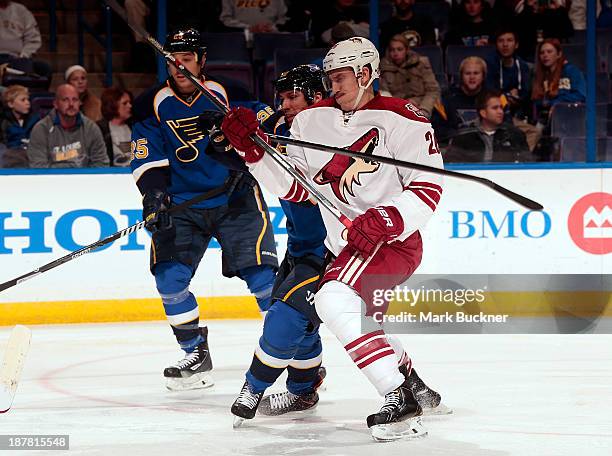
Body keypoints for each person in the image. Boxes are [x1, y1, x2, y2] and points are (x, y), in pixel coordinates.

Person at [221, 37, 447, 441]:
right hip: (348, 246)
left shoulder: (405, 118)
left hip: (392, 242)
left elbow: (427, 189)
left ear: (364, 74)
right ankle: (414, 387)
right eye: (329, 78)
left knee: (332, 299)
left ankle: (397, 396)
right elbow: (297, 189)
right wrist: (251, 153)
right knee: (359, 319)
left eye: (340, 78)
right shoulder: (311, 121)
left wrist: (386, 217)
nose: (333, 86)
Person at [129, 28, 278, 391]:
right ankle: (194, 352)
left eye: (187, 59)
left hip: (235, 196)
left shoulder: (228, 93)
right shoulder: (151, 102)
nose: (180, 67)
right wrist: (154, 196)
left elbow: (269, 119)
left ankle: (294, 351)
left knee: (263, 280)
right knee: (169, 278)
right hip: (183, 204)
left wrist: (236, 131)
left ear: (202, 61)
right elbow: (148, 156)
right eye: (173, 60)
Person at [208, 64, 330, 417]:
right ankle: (304, 391)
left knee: (285, 316)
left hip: (336, 249)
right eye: (283, 97)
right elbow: (242, 156)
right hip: (302, 247)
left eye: (293, 97)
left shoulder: (336, 133)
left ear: (317, 98)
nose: (285, 104)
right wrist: (223, 138)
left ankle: (254, 387)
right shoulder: (280, 126)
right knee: (303, 325)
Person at [27, 84, 108, 168]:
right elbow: (38, 167)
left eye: (75, 100)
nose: (71, 104)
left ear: (80, 103)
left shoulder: (91, 128)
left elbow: (101, 163)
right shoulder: (41, 129)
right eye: (65, 100)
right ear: (55, 104)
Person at [447, 89, 531, 162]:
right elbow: (452, 163)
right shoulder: (464, 136)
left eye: (501, 107)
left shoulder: (514, 135)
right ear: (483, 113)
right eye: (495, 108)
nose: (500, 112)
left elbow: (527, 162)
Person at [379, 34, 441, 118]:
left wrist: (423, 111)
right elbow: (385, 94)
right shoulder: (384, 67)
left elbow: (432, 90)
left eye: (399, 49)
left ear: (407, 50)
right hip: (398, 110)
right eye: (392, 50)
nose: (395, 53)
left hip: (422, 105)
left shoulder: (421, 63)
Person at [531, 38, 586, 125]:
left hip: (571, 118)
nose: (545, 55)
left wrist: (558, 102)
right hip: (546, 120)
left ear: (559, 54)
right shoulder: (540, 75)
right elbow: (536, 100)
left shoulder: (571, 71)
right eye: (542, 53)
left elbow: (581, 95)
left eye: (549, 52)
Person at [0, 84, 38, 167]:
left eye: (28, 100)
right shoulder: (3, 122)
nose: (27, 103)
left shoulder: (35, 119)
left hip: (31, 154)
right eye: (23, 100)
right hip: (10, 156)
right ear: (10, 104)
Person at [97, 87, 133, 166]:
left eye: (130, 102)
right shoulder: (100, 129)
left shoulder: (134, 126)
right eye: (125, 103)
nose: (130, 106)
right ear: (112, 105)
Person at [220, 0, 287, 32]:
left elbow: (284, 18)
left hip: (271, 39)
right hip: (241, 40)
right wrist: (248, 28)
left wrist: (272, 28)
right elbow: (226, 19)